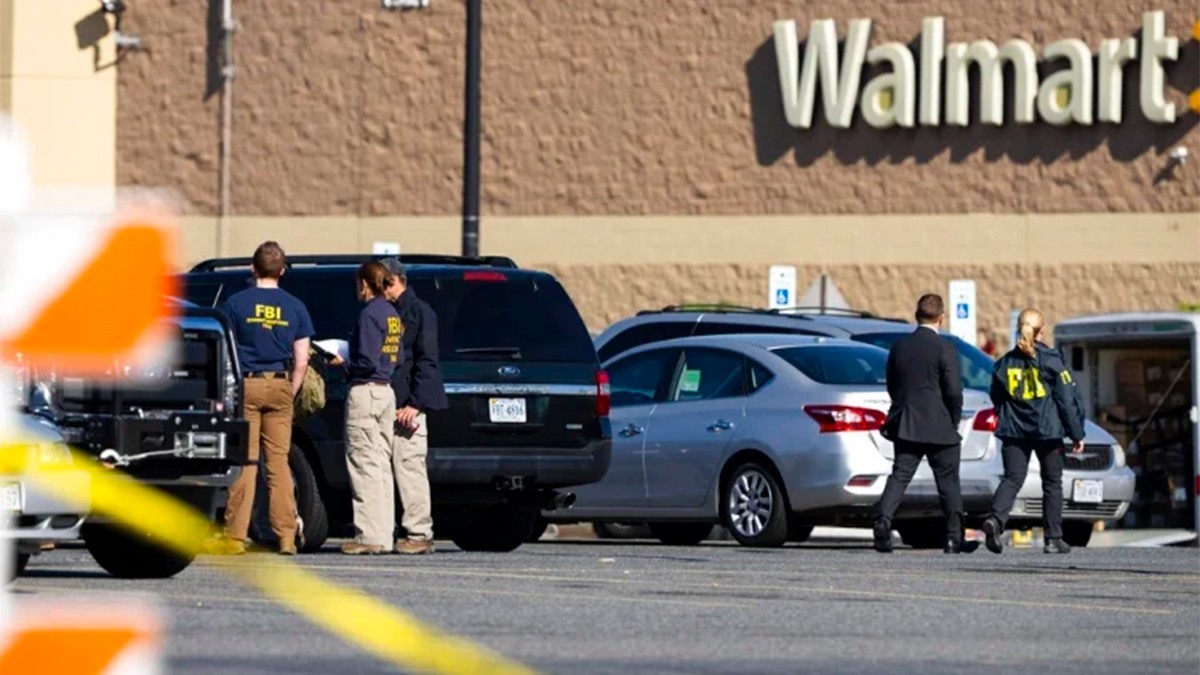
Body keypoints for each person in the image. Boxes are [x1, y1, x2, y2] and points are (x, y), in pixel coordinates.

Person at [213, 241, 312, 555]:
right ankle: (285, 536)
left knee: (247, 460)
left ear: (252, 268)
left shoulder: (235, 304)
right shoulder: (295, 306)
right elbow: (302, 358)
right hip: (281, 384)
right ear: (282, 271)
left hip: (247, 385)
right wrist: (290, 390)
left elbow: (224, 351)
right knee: (279, 464)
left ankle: (235, 537)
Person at [873, 293, 977, 554]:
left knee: (899, 476)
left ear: (916, 315)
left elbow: (893, 385)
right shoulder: (946, 348)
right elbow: (954, 390)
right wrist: (953, 419)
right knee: (948, 483)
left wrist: (902, 408)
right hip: (940, 425)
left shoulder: (899, 347)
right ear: (941, 317)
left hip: (907, 423)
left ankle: (883, 522)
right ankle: (954, 537)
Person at [981, 308, 1086, 555]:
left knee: (1012, 478)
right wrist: (1076, 433)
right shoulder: (1052, 361)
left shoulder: (1004, 363)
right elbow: (1066, 401)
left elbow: (996, 396)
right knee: (1052, 483)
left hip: (1014, 431)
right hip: (1047, 432)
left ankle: (995, 520)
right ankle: (1053, 538)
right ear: (1042, 330)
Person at [337, 262, 404, 555]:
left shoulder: (369, 314)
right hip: (386, 391)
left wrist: (342, 363)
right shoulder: (392, 314)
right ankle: (383, 534)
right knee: (380, 465)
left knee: (363, 462)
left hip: (365, 391)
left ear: (365, 284)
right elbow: (397, 358)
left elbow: (365, 362)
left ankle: (368, 536)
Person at [382, 259, 447, 555]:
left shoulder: (420, 312)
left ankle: (419, 533)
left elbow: (427, 361)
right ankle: (387, 531)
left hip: (408, 406)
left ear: (393, 281)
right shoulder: (383, 312)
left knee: (409, 469)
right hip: (387, 402)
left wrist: (415, 404)